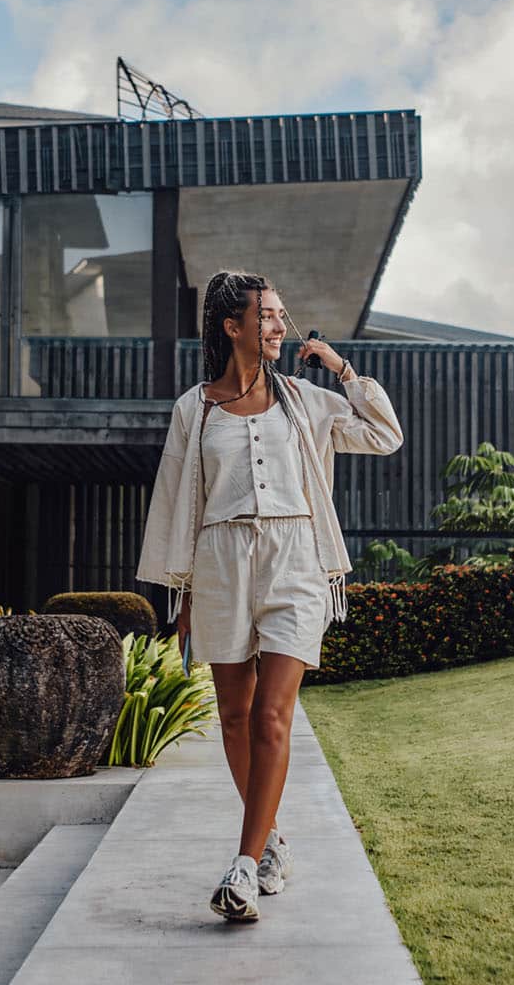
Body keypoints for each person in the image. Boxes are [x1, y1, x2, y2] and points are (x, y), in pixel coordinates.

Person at [135, 270, 403, 922]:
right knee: (234, 716)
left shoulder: (308, 402)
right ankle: (272, 839)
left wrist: (341, 368)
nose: (282, 326)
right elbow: (177, 501)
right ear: (233, 327)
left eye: (284, 315)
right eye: (270, 316)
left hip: (296, 562)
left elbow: (383, 433)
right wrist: (184, 591)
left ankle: (244, 866)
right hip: (219, 563)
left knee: (273, 717)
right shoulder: (192, 409)